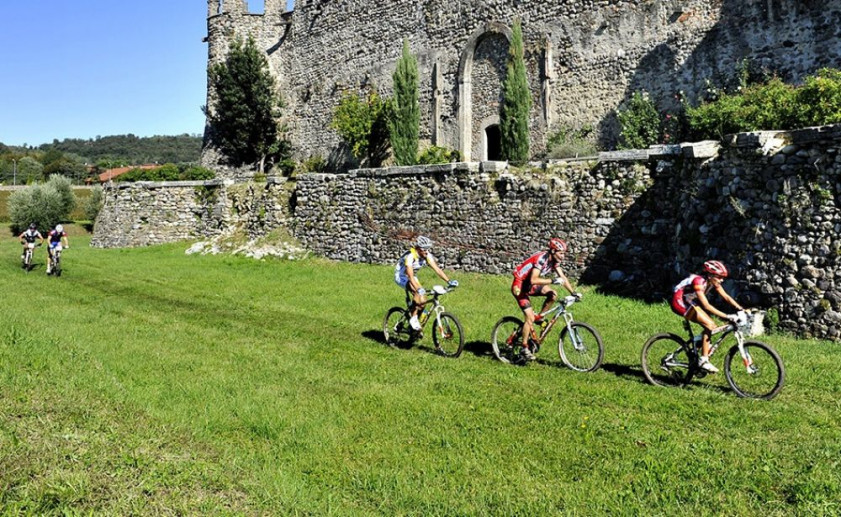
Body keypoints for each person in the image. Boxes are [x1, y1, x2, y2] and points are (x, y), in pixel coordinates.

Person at [511, 238, 580, 361]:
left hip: (530, 285)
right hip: (520, 285)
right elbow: (534, 279)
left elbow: (563, 277)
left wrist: (573, 293)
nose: (563, 256)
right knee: (529, 318)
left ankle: (541, 317)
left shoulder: (554, 261)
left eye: (564, 253)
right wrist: (552, 280)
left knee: (552, 294)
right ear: (553, 251)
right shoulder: (541, 259)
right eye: (561, 253)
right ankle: (524, 348)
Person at [671, 260, 745, 373]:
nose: (722, 280)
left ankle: (698, 348)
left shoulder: (712, 282)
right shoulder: (698, 281)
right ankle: (703, 360)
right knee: (709, 325)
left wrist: (741, 309)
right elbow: (706, 305)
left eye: (723, 277)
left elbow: (726, 297)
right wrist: (727, 316)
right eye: (719, 277)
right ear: (710, 275)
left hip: (689, 301)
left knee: (711, 326)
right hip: (679, 301)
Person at [394, 236, 457, 331]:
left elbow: (437, 269)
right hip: (402, 275)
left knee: (423, 303)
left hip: (412, 276)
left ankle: (413, 329)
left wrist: (449, 281)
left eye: (428, 249)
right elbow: (410, 276)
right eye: (424, 250)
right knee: (417, 292)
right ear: (418, 249)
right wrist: (418, 289)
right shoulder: (410, 256)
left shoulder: (426, 255)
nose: (427, 252)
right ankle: (413, 319)